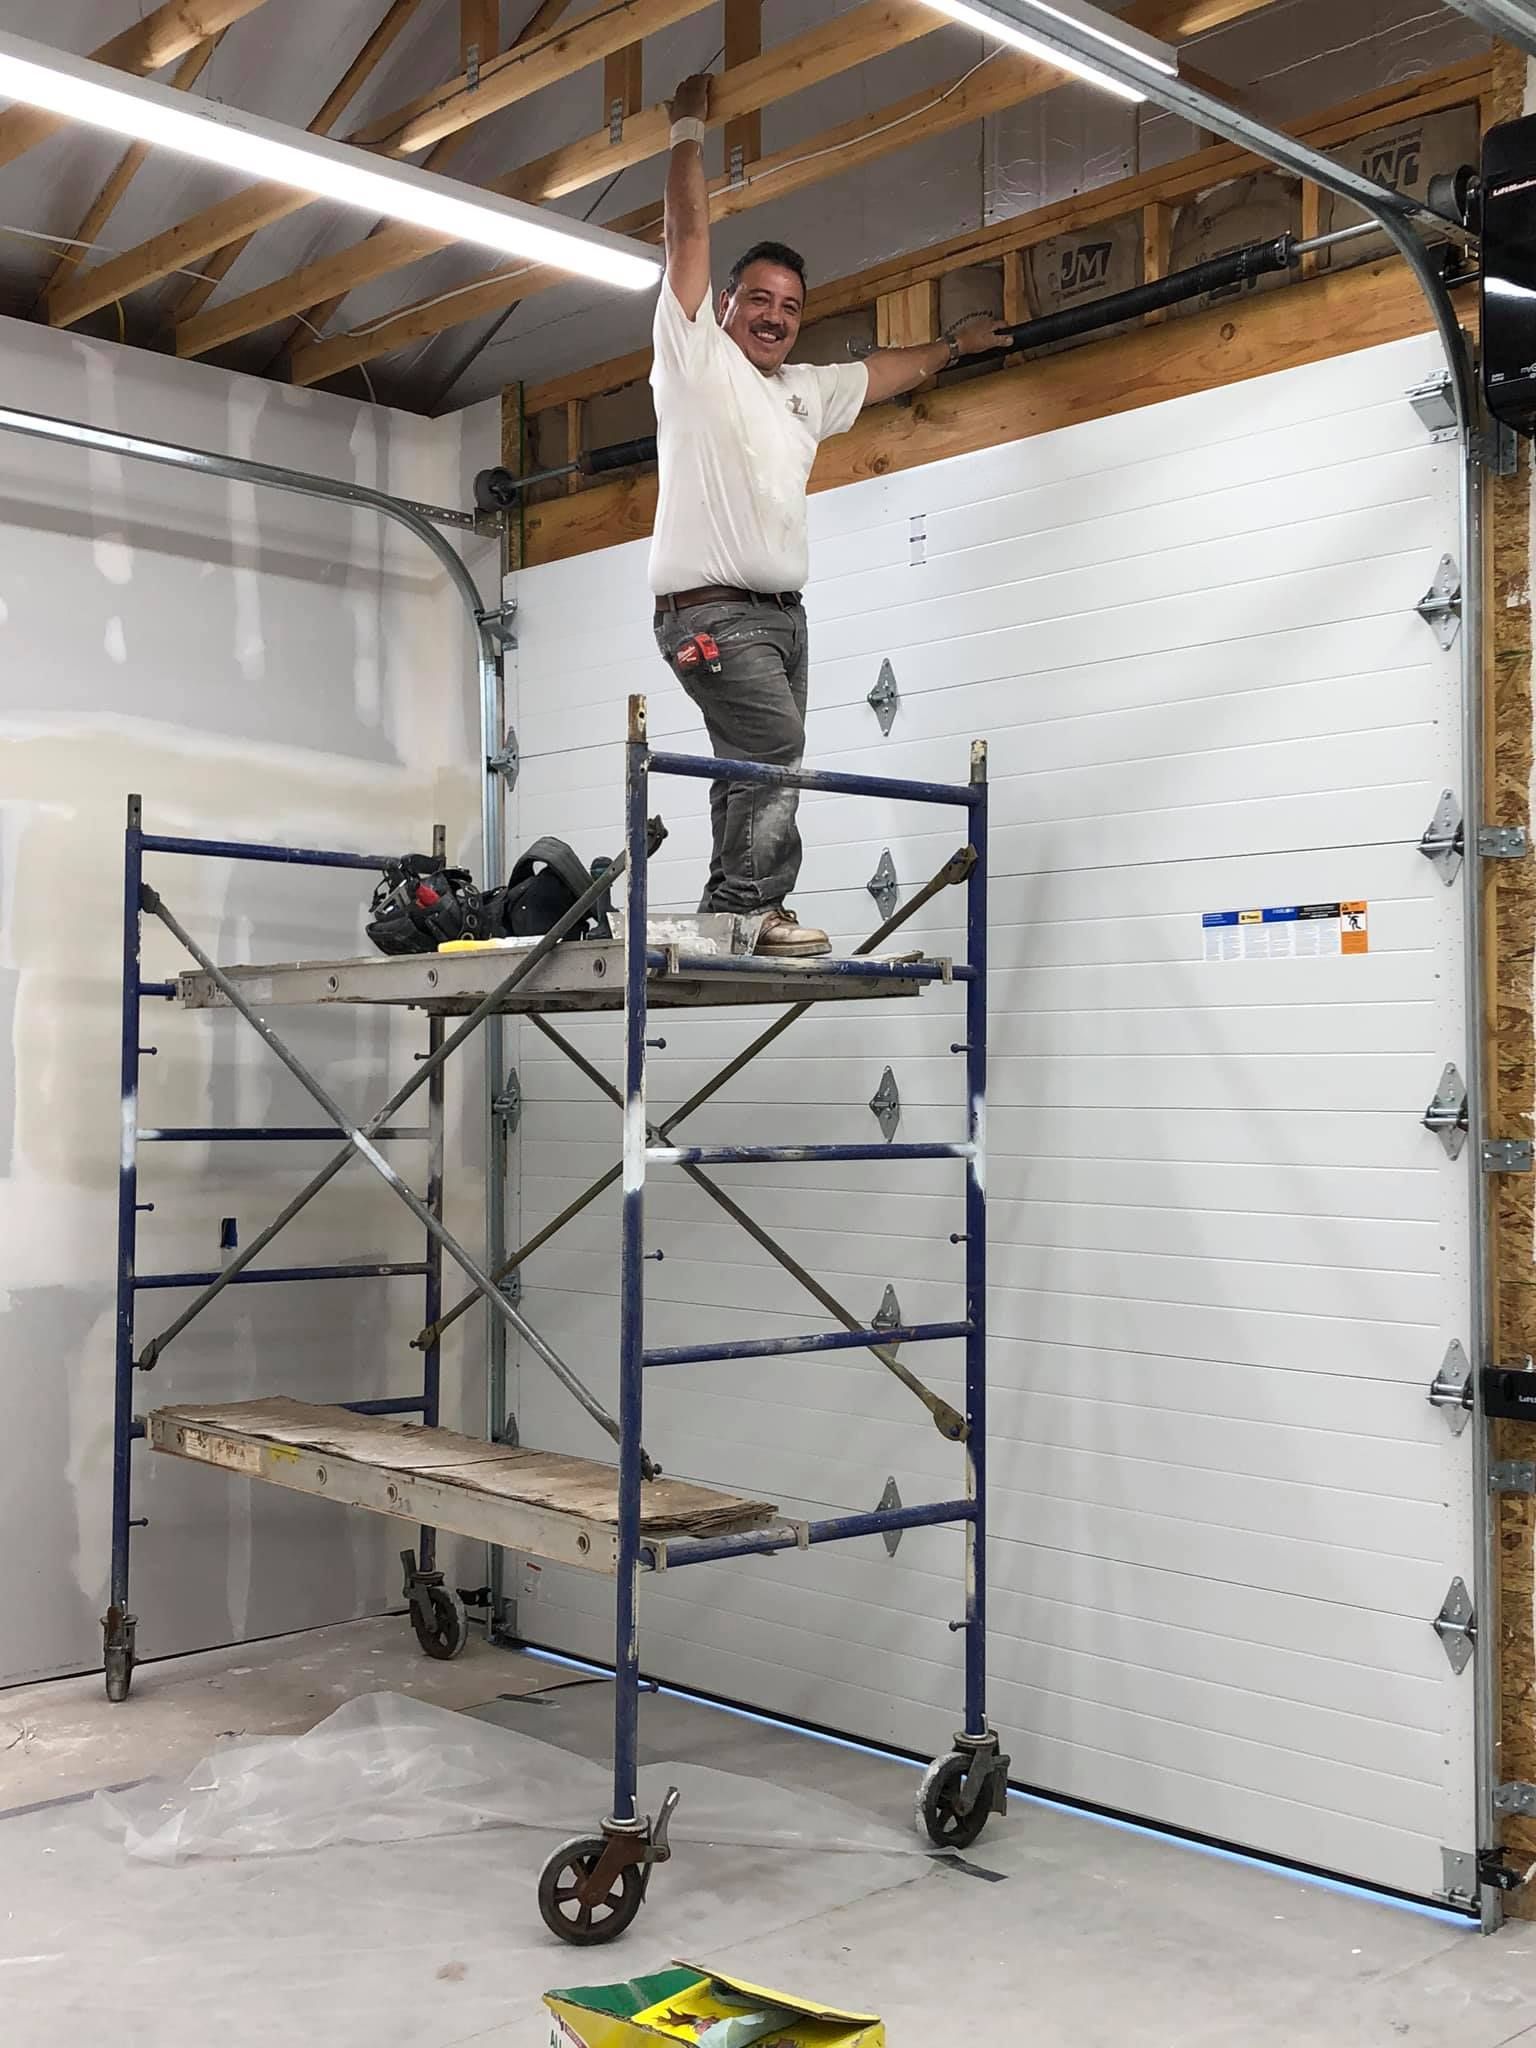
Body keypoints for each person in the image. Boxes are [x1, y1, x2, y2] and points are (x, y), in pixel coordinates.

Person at [650, 72, 1012, 957]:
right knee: (774, 746)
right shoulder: (696, 358)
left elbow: (886, 373)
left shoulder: (802, 392)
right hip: (709, 613)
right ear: (726, 306)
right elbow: (687, 235)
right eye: (758, 301)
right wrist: (688, 130)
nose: (774, 318)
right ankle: (753, 910)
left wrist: (952, 350)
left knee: (748, 765)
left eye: (790, 307)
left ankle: (723, 911)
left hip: (782, 620)